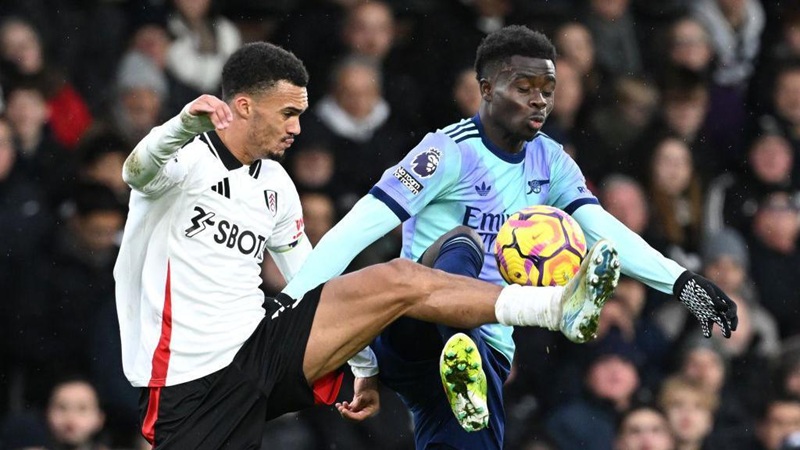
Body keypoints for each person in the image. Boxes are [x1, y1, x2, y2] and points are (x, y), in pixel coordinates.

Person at [113, 41, 621, 448]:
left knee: (401, 278)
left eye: (300, 114)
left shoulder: (276, 186)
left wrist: (362, 367)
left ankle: (555, 306)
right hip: (188, 381)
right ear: (243, 106)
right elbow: (135, 170)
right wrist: (179, 124)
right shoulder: (181, 159)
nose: (296, 128)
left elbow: (307, 277)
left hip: (260, 347)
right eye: (287, 114)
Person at [283, 25, 738, 449]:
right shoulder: (447, 150)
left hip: (486, 357)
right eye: (524, 89)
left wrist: (682, 282)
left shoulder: (553, 161)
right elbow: (360, 225)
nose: (540, 101)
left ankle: (465, 365)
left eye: (548, 90)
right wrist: (292, 301)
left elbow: (603, 229)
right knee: (463, 242)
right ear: (486, 89)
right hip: (413, 326)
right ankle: (465, 340)